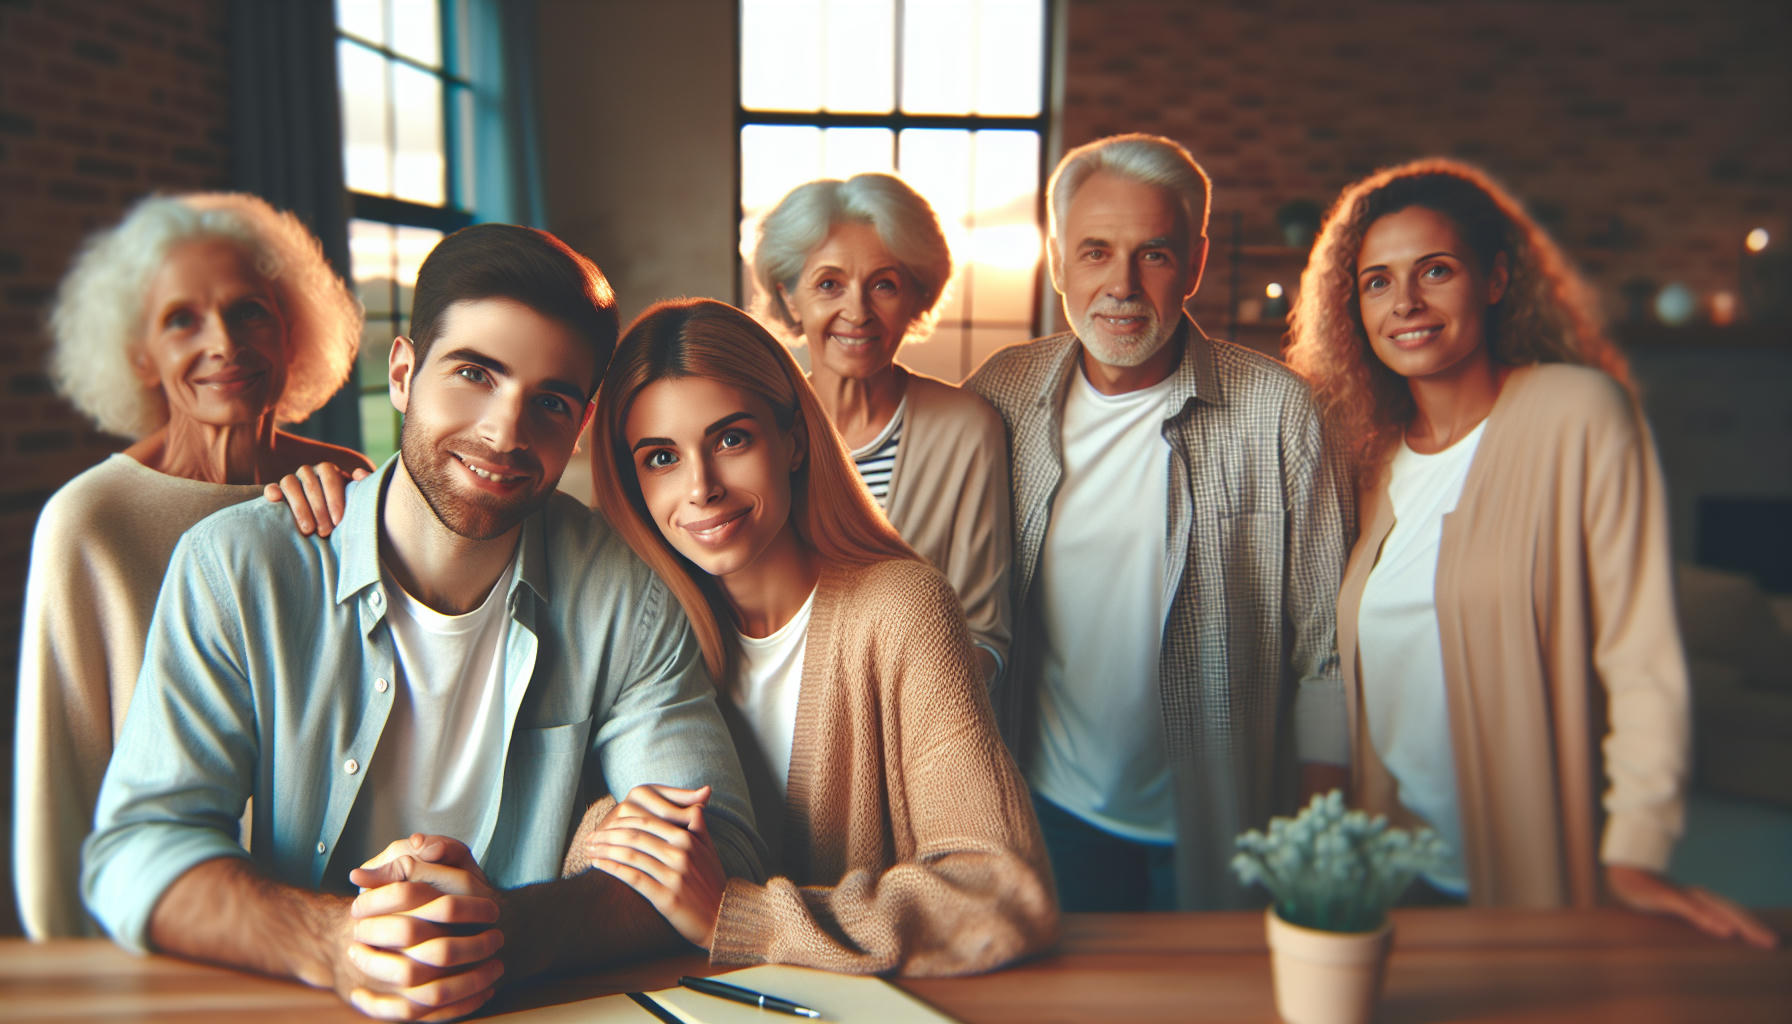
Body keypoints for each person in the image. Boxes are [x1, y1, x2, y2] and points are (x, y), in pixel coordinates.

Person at [82, 224, 766, 1020]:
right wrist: (336, 942)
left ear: (579, 425)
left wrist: (497, 933)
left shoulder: (626, 595)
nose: (505, 434)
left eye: (547, 401)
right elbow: (136, 852)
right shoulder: (239, 567)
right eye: (475, 374)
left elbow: (719, 852)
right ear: (402, 372)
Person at [1285, 159, 1775, 947]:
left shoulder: (1577, 415)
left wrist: (1638, 850)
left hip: (1530, 870)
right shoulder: (1369, 463)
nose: (1405, 302)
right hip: (1392, 874)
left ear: (1495, 279)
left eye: (1434, 271)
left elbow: (1641, 652)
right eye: (1377, 282)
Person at [574, 297, 1056, 975]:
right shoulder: (634, 631)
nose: (701, 487)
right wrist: (610, 837)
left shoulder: (902, 610)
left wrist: (738, 915)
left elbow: (1002, 896)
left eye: (731, 439)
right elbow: (573, 855)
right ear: (633, 482)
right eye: (661, 457)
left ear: (794, 440)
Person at [965, 133, 1351, 912]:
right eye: (1097, 251)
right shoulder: (1000, 394)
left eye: (1155, 254)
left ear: (1197, 262)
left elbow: (1329, 657)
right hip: (1048, 810)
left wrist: (1314, 845)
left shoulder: (1278, 412)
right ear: (1059, 255)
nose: (1122, 285)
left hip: (1225, 819)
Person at [15, 192, 372, 939]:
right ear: (140, 352)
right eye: (183, 319)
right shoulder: (90, 523)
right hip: (175, 932)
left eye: (249, 312)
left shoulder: (352, 486)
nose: (224, 344)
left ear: (291, 331)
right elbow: (62, 792)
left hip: (351, 921)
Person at [735, 173, 1012, 684]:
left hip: (914, 729)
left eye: (884, 284)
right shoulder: (749, 428)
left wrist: (908, 711)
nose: (857, 311)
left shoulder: (967, 431)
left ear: (917, 298)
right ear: (790, 297)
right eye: (828, 285)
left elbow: (984, 632)